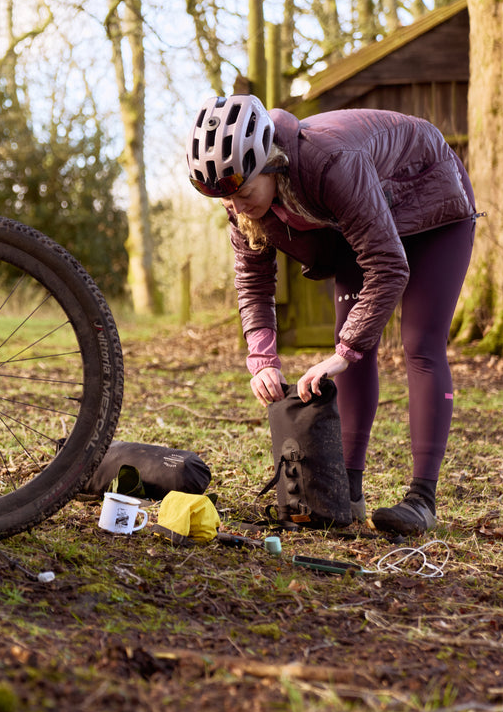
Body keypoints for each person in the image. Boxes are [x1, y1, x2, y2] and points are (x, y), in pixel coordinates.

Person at [185, 95, 477, 535]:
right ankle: (348, 489)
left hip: (431, 201)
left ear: (270, 163)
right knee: (350, 343)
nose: (238, 208)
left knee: (420, 342)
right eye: (227, 201)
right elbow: (253, 281)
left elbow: (388, 264)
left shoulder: (330, 162)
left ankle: (422, 499)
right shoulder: (238, 200)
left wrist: (345, 351)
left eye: (244, 194)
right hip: (363, 223)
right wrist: (262, 359)